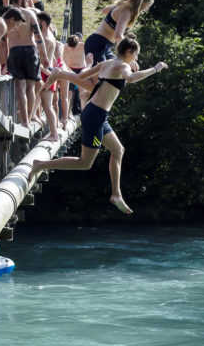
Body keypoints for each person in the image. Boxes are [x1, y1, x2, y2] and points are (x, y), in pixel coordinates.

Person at [30, 36, 168, 214]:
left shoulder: (108, 63)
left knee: (118, 150)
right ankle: (40, 165)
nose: (136, 58)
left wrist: (63, 73)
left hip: (98, 114)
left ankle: (116, 194)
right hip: (95, 115)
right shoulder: (122, 66)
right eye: (136, 55)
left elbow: (81, 76)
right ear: (129, 52)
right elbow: (132, 79)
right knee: (84, 163)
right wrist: (155, 69)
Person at [5, 0, 49, 126]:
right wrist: (45, 55)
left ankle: (24, 121)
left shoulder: (7, 15)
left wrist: (2, 61)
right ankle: (29, 121)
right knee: (30, 88)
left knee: (20, 88)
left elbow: (2, 39)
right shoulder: (30, 14)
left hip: (15, 51)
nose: (28, 2)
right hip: (30, 51)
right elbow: (38, 36)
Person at [84, 0, 154, 65]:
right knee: (102, 75)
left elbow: (105, 10)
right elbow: (118, 36)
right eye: (146, 7)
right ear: (141, 4)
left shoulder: (122, 4)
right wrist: (128, 57)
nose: (145, 10)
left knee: (117, 72)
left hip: (103, 45)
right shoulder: (127, 11)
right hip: (98, 45)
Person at [35, 11, 60, 140]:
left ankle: (54, 134)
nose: (35, 24)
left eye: (37, 21)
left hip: (45, 73)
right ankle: (53, 132)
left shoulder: (44, 38)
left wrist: (45, 72)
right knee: (46, 105)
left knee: (47, 106)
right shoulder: (51, 35)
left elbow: (39, 60)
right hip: (49, 71)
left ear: (43, 23)